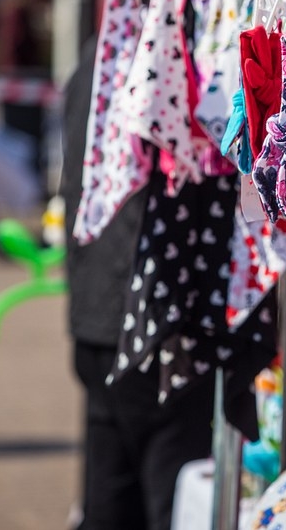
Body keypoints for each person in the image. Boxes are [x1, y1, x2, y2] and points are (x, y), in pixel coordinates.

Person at [61, 38, 215, 530]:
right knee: (165, 498)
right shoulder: (175, 52)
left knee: (110, 493)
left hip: (100, 313)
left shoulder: (101, 52)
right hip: (154, 322)